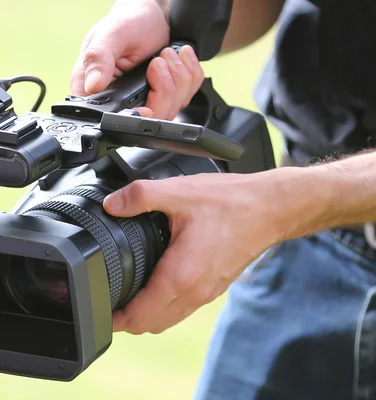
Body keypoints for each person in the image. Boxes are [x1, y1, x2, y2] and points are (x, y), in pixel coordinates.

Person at [70, 0, 376, 398]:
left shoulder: (281, 206)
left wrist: (282, 204)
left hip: (294, 211)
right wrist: (165, 16)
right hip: (305, 244)